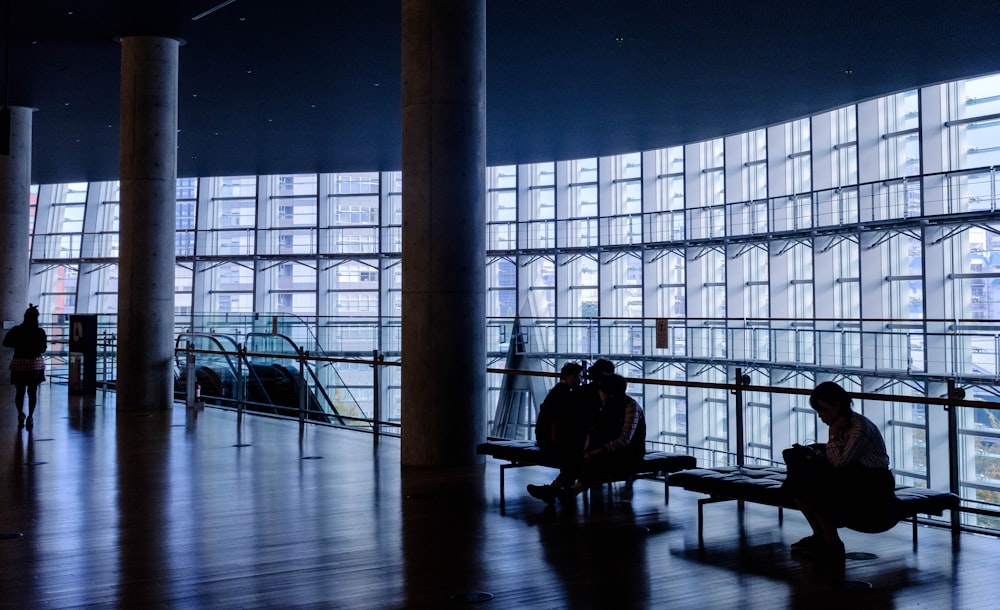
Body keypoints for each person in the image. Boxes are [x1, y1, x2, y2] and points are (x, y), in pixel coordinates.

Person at [782, 381, 897, 559]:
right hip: (854, 475)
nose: (820, 416)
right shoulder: (845, 424)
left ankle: (830, 540)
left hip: (873, 481)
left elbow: (838, 462)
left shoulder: (859, 429)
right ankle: (822, 537)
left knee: (810, 484)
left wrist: (833, 433)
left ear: (837, 405)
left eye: (823, 409)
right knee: (799, 481)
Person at [529, 372, 646, 504]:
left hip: (629, 453)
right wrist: (587, 450)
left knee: (598, 460)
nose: (599, 393)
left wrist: (596, 451)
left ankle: (567, 491)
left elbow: (625, 440)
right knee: (578, 457)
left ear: (609, 392)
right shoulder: (606, 406)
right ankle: (557, 489)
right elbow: (594, 431)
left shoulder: (631, 406)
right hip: (610, 449)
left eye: (601, 390)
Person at [526, 359, 612, 505]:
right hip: (588, 441)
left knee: (576, 458)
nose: (579, 379)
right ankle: (559, 490)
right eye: (576, 375)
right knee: (578, 458)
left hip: (569, 438)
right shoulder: (607, 397)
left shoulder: (575, 392)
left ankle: (555, 489)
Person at [4, 304, 48, 430]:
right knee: (32, 392)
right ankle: (30, 416)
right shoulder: (40, 332)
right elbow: (43, 349)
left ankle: (20, 415)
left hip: (18, 364)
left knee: (20, 392)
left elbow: (6, 343)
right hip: (34, 365)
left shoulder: (16, 330)